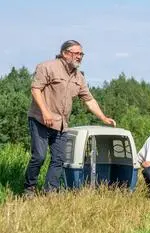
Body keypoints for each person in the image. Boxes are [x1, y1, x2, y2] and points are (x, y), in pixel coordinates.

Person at [24, 40, 116, 196]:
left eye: (81, 54)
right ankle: (29, 188)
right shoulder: (47, 67)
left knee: (58, 159)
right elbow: (35, 90)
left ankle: (50, 191)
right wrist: (45, 112)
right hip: (40, 119)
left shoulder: (79, 77)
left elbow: (89, 100)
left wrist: (103, 117)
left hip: (61, 124)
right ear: (65, 53)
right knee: (39, 156)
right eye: (77, 53)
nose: (80, 57)